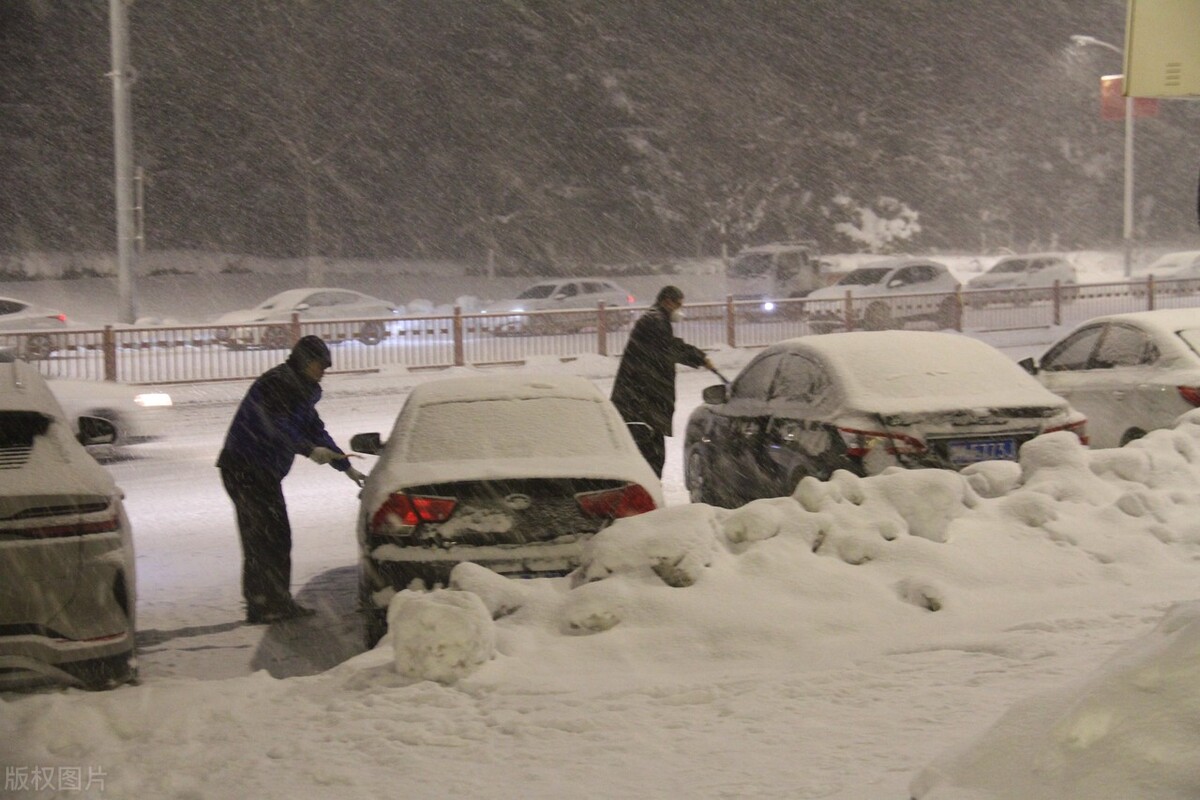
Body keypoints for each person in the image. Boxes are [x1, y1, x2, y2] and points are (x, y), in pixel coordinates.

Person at [216, 335, 366, 624]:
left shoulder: (301, 388)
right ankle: (265, 605)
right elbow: (273, 426)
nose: (324, 371)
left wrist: (345, 466)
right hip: (245, 469)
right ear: (305, 361)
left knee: (274, 537)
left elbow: (315, 430)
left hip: (261, 472)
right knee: (263, 539)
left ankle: (274, 602)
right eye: (320, 365)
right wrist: (308, 450)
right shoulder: (279, 384)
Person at [611, 285, 713, 477]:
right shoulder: (655, 321)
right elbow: (669, 348)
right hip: (641, 403)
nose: (679, 310)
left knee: (650, 456)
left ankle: (647, 491)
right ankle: (646, 494)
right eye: (678, 305)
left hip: (643, 402)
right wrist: (698, 357)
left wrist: (697, 357)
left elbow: (667, 347)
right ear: (667, 301)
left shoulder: (655, 320)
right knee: (650, 458)